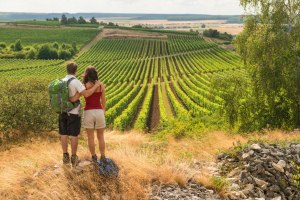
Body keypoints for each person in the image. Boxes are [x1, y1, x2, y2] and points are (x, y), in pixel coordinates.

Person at [60, 62, 100, 167]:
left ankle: (65, 156)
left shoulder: (61, 81)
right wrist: (96, 85)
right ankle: (74, 157)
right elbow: (86, 94)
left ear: (67, 70)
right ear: (75, 70)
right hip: (73, 113)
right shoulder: (75, 82)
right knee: (73, 135)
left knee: (63, 134)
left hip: (62, 111)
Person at [70, 66, 106, 163]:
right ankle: (103, 156)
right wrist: (103, 111)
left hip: (88, 112)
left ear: (86, 75)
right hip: (99, 112)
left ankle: (94, 157)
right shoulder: (101, 85)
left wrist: (69, 99)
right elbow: (103, 101)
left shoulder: (84, 86)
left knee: (90, 137)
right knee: (101, 136)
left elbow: (75, 97)